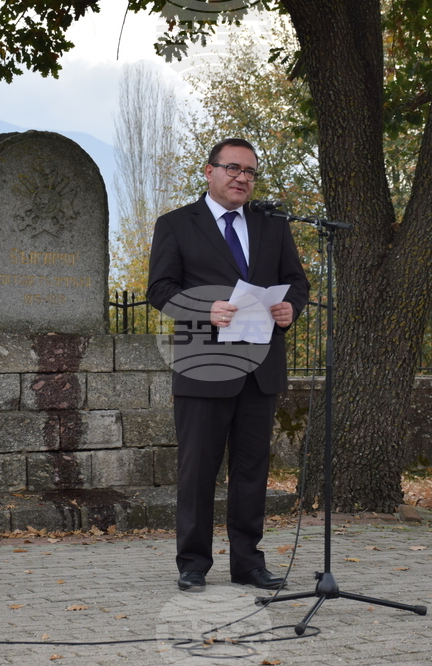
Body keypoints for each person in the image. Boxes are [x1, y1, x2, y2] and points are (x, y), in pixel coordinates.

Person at [148, 138, 310, 591]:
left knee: (252, 468)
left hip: (261, 366)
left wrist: (290, 309)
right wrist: (205, 308)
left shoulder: (271, 225)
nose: (242, 178)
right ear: (209, 171)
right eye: (233, 168)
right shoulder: (177, 224)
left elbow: (296, 281)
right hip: (205, 364)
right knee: (198, 468)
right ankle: (193, 563)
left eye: (250, 172)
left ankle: (248, 562)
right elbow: (159, 290)